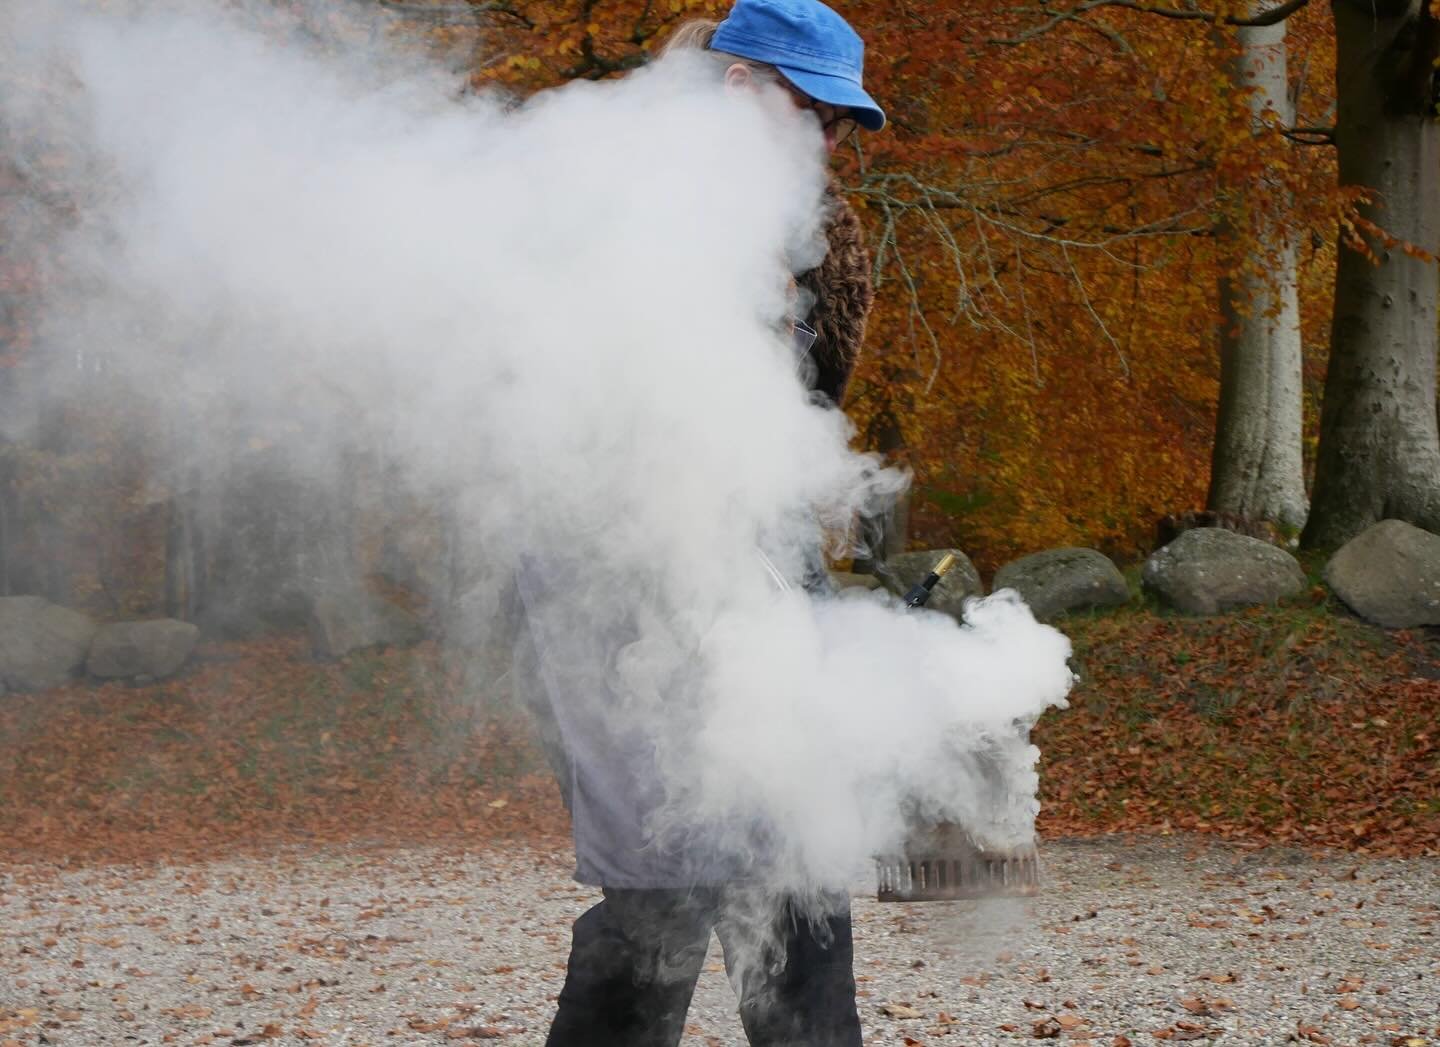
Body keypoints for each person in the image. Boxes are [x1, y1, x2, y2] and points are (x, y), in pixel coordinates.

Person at [517, 2, 885, 1044]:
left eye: (837, 125)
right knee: (665, 882)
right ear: (740, 86)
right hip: (609, 582)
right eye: (812, 113)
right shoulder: (593, 195)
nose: (826, 145)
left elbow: (810, 416)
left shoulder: (820, 233)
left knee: (800, 859)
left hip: (754, 564)